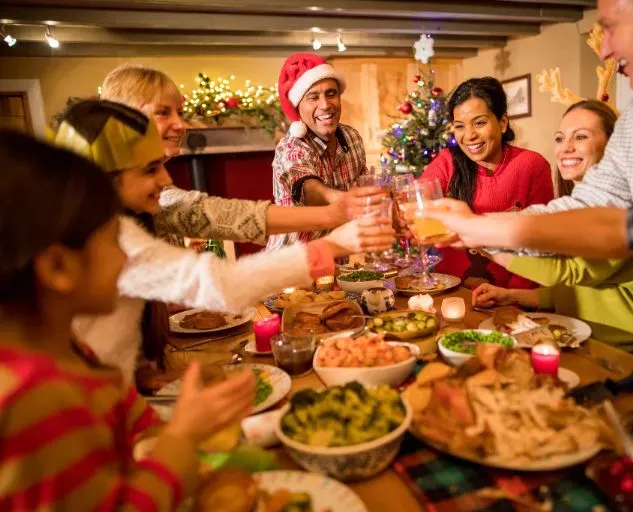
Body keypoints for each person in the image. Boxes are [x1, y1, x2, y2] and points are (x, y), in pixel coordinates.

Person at [421, 0, 633, 393]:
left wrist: (479, 231)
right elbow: (608, 215)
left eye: (611, 26)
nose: (602, 49)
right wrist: (477, 228)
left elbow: (623, 236)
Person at [0, 130, 255, 509]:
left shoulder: (71, 350)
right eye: (113, 241)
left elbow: (128, 414)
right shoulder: (35, 400)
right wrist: (181, 439)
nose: (126, 258)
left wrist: (181, 421)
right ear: (58, 266)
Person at [55, 100, 394, 385]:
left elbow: (219, 213)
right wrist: (332, 246)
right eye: (149, 170)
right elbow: (223, 284)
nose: (166, 179)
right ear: (99, 178)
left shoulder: (107, 224)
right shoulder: (113, 239)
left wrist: (146, 376)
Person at [472, 100, 633, 363]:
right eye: (560, 138)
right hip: (580, 348)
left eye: (581, 137)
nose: (566, 148)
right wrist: (509, 295)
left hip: (632, 356)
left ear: (613, 147)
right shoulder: (568, 210)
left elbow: (568, 271)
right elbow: (571, 291)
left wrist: (486, 242)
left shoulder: (617, 212)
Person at [100, 63, 370, 248]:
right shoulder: (101, 199)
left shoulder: (352, 137)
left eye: (180, 113)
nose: (181, 125)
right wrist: (333, 214)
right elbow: (217, 214)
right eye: (163, 112)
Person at [418, 77, 554, 289]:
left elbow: (540, 243)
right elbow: (419, 201)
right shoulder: (447, 162)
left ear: (502, 123)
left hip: (512, 298)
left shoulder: (532, 165)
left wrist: (512, 299)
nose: (469, 135)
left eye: (479, 123)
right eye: (459, 126)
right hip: (453, 293)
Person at [267, 53, 377, 251]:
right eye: (313, 97)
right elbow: (309, 190)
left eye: (331, 94)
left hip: (336, 262)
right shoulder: (291, 147)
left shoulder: (352, 138)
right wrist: (343, 200)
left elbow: (362, 186)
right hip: (292, 266)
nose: (325, 105)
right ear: (298, 106)